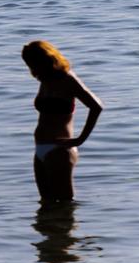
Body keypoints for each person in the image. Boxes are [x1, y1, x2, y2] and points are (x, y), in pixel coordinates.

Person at [23, 40, 103, 202]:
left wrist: (80, 139)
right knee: (46, 205)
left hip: (59, 150)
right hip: (40, 149)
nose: (32, 68)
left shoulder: (67, 79)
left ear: (46, 59)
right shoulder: (44, 79)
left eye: (33, 63)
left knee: (65, 204)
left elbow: (96, 106)